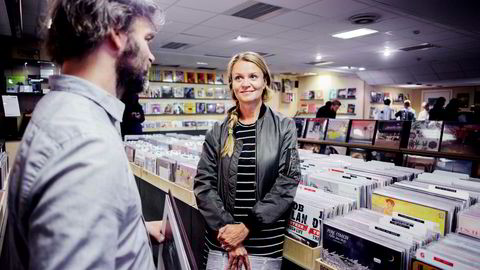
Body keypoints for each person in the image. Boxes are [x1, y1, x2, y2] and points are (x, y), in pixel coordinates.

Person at [7, 1, 165, 269]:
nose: (151, 55)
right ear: (117, 32)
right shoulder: (85, 141)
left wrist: (133, 230)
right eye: (146, 38)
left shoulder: (66, 110)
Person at [194, 52, 301, 270]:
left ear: (265, 81)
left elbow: (287, 181)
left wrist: (246, 228)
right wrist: (230, 236)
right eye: (238, 78)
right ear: (231, 84)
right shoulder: (217, 131)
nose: (246, 84)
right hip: (222, 242)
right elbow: (203, 185)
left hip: (264, 243)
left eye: (253, 76)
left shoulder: (284, 127)